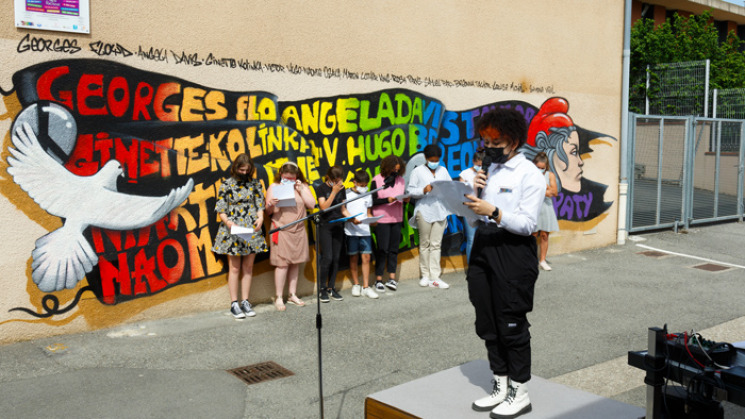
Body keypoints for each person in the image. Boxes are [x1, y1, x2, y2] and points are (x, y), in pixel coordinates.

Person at [463, 108, 546, 418]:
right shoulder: (490, 171)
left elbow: (527, 224)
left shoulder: (530, 175)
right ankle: (500, 383)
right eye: (484, 140)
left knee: (511, 324)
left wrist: (493, 211)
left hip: (513, 253)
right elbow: (475, 216)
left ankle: (519, 390)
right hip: (484, 248)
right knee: (487, 321)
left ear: (512, 140)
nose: (488, 147)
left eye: (494, 141)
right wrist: (473, 197)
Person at [212, 153, 268, 319]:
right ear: (235, 168)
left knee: (248, 267)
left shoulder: (255, 184)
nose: (244, 172)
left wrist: (260, 218)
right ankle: (234, 303)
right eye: (241, 169)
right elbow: (221, 209)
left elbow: (259, 205)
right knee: (234, 267)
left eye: (247, 170)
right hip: (233, 229)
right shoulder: (226, 185)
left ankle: (245, 301)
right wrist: (230, 224)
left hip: (251, 229)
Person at [265, 161, 316, 311]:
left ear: (297, 176)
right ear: (280, 174)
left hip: (299, 230)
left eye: (292, 178)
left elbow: (311, 205)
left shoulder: (302, 186)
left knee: (296, 263)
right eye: (286, 177)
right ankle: (279, 296)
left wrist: (300, 189)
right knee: (282, 264)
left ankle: (292, 294)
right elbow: (269, 212)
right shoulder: (274, 187)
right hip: (282, 230)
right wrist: (272, 203)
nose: (288, 180)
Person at [408, 144, 452, 289]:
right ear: (426, 158)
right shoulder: (418, 171)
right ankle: (425, 275)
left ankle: (435, 276)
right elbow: (410, 190)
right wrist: (424, 189)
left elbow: (451, 187)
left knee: (436, 244)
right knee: (424, 243)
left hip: (440, 211)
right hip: (424, 211)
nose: (435, 162)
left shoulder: (443, 170)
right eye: (432, 159)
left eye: (437, 159)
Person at [370, 155, 408, 293]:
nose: (395, 173)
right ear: (387, 167)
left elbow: (402, 196)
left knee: (393, 249)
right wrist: (387, 199)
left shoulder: (401, 181)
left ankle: (392, 278)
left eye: (397, 170)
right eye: (393, 170)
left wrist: (406, 199)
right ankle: (378, 279)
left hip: (396, 218)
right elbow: (372, 201)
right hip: (382, 218)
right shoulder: (377, 180)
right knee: (382, 249)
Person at [341, 170, 378, 299]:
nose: (364, 188)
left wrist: (372, 220)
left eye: (365, 185)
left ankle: (366, 286)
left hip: (365, 231)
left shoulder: (368, 195)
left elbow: (368, 212)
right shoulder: (346, 194)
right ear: (354, 182)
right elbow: (343, 211)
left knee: (366, 258)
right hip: (351, 231)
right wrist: (352, 220)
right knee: (353, 258)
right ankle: (356, 284)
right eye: (361, 185)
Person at [314, 166, 347, 303]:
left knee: (336, 258)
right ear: (329, 177)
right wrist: (333, 192)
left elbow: (344, 209)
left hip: (338, 225)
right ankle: (322, 289)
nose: (338, 183)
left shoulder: (342, 188)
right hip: (325, 226)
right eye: (335, 181)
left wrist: (354, 218)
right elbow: (324, 207)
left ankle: (331, 287)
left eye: (339, 181)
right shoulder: (321, 188)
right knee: (327, 257)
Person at [532, 152, 560, 271]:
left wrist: (546, 189)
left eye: (542, 168)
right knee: (532, 235)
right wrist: (547, 191)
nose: (540, 170)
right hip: (533, 207)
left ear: (546, 167)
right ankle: (531, 260)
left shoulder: (550, 175)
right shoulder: (530, 175)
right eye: (537, 167)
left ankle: (542, 260)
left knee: (544, 235)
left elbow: (555, 193)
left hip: (546, 207)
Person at [458, 150, 485, 263]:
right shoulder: (465, 174)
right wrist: (473, 183)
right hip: (469, 210)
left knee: (483, 239)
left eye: (481, 165)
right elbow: (461, 192)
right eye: (478, 164)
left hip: (484, 209)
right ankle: (471, 267)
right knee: (471, 239)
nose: (479, 167)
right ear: (473, 161)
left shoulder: (486, 174)